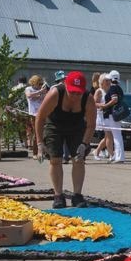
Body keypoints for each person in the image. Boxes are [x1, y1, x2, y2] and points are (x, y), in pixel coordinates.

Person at [34, 71, 96, 209]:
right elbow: (40, 118)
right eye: (72, 92)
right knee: (55, 160)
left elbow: (91, 125)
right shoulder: (55, 93)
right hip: (54, 125)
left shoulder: (88, 98)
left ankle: (77, 195)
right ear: (66, 86)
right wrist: (39, 143)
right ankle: (58, 195)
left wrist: (84, 144)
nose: (75, 96)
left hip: (76, 126)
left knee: (78, 159)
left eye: (78, 93)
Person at [99, 69, 125, 164]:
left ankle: (119, 157)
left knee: (116, 137)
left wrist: (104, 106)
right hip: (114, 115)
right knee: (116, 136)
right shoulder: (119, 87)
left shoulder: (113, 87)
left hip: (111, 115)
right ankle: (117, 156)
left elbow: (114, 99)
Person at [25, 75, 47, 156]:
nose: (40, 85)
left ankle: (43, 151)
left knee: (44, 132)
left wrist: (44, 92)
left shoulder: (41, 90)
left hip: (42, 113)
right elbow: (29, 95)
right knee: (36, 133)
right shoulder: (29, 89)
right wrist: (40, 92)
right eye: (39, 83)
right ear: (34, 83)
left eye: (41, 84)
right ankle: (35, 152)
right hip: (33, 114)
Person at [93, 74, 113, 161]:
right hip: (102, 116)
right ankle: (112, 155)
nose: (108, 82)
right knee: (109, 136)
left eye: (109, 80)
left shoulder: (111, 90)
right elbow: (94, 103)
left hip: (109, 115)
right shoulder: (99, 91)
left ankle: (96, 152)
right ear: (102, 82)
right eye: (106, 80)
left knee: (107, 137)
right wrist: (103, 105)